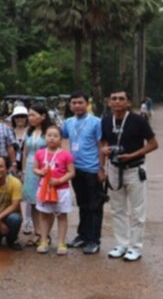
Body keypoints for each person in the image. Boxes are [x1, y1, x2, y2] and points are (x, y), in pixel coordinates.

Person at [100, 89, 158, 262]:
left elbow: (154, 144)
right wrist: (104, 151)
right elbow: (103, 141)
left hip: (134, 168)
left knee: (137, 210)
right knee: (117, 209)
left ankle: (135, 247)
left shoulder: (138, 120)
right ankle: (121, 244)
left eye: (121, 99)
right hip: (114, 168)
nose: (117, 102)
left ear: (128, 102)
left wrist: (134, 155)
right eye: (114, 99)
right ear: (109, 102)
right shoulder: (106, 120)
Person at [60, 91, 104, 255]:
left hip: (92, 169)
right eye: (74, 103)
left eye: (80, 102)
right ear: (70, 105)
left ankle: (94, 240)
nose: (77, 106)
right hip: (76, 170)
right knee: (82, 204)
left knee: (95, 206)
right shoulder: (68, 123)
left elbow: (101, 145)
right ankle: (83, 235)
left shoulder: (96, 122)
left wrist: (101, 167)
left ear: (87, 104)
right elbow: (58, 137)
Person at [33, 125, 75, 256]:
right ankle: (44, 240)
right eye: (49, 135)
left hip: (61, 190)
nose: (52, 138)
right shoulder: (40, 153)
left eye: (55, 136)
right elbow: (35, 169)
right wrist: (40, 171)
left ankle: (61, 242)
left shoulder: (65, 155)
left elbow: (71, 172)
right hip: (44, 189)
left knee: (62, 216)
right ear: (45, 137)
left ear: (61, 139)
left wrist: (60, 180)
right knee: (44, 215)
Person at [21, 105, 50, 243]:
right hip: (30, 169)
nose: (30, 118)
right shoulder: (29, 131)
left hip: (44, 168)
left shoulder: (49, 132)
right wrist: (23, 170)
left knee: (44, 201)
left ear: (43, 116)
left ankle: (46, 233)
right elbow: (25, 151)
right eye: (29, 115)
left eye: (33, 115)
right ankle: (38, 232)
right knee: (32, 201)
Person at [10, 105, 29, 173]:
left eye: (22, 116)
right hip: (12, 167)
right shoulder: (9, 132)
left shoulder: (31, 132)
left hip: (28, 166)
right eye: (17, 117)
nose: (19, 119)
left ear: (26, 118)